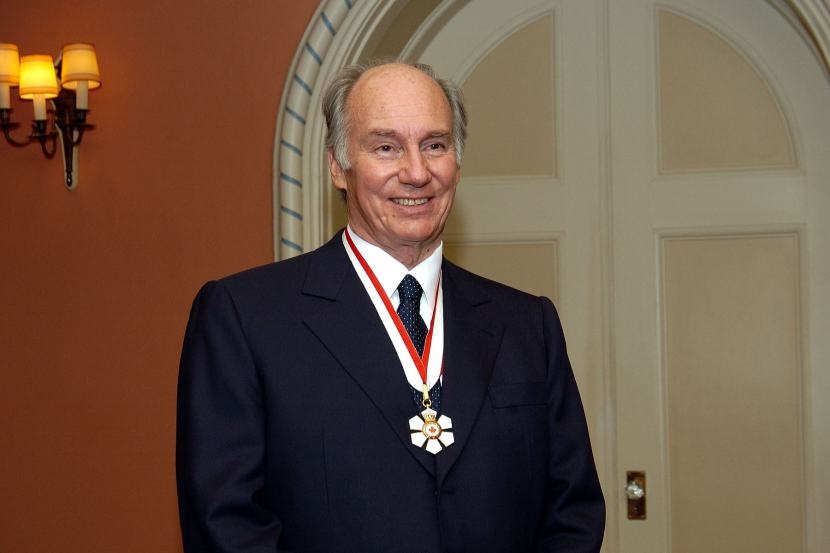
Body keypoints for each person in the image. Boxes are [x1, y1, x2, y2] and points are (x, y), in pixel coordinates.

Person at [176, 59, 605, 553]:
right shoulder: (244, 319)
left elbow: (573, 510)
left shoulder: (528, 325)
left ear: (457, 164)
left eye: (434, 146)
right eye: (386, 147)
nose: (417, 172)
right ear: (338, 166)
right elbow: (226, 525)